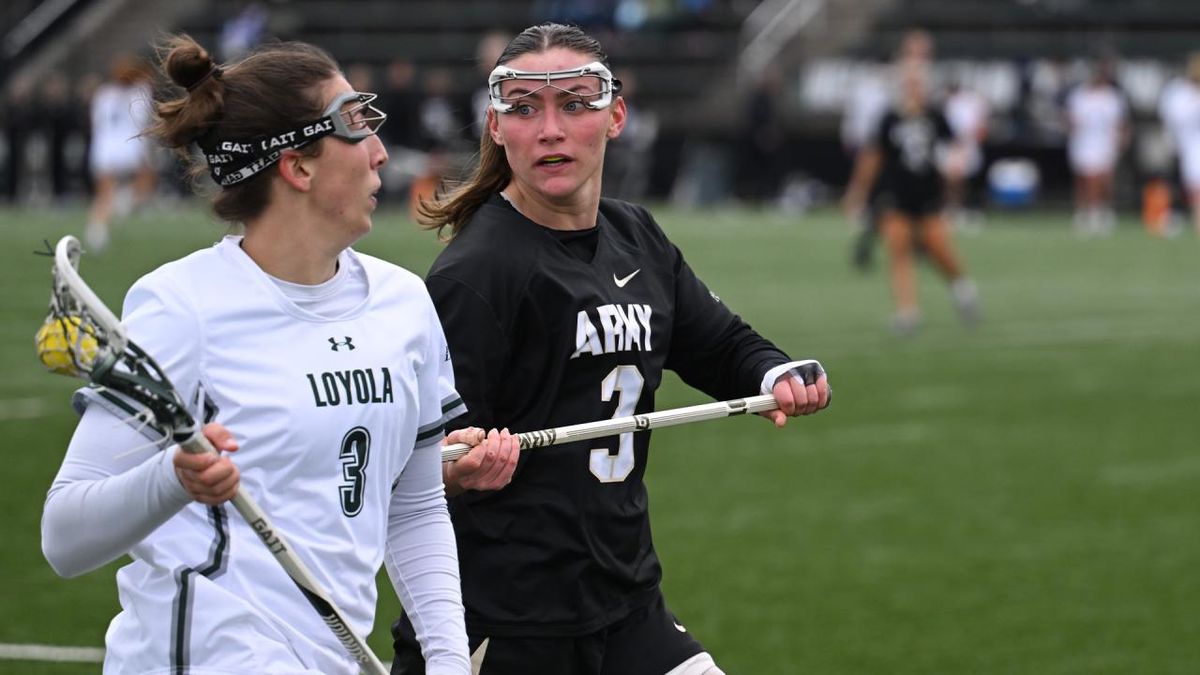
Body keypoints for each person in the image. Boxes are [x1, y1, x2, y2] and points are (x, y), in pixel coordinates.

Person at [40, 35, 495, 674]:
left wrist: (447, 663)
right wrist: (173, 479)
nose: (380, 151)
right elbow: (64, 536)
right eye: (354, 125)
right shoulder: (182, 307)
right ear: (297, 166)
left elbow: (416, 506)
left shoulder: (404, 304)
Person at [390, 22, 831, 675]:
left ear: (615, 116)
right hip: (509, 624)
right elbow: (415, 467)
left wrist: (773, 371)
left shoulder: (636, 234)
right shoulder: (477, 274)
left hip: (625, 602)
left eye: (574, 104)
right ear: (496, 127)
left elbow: (718, 344)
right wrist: (457, 467)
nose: (550, 130)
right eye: (525, 109)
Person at [842, 62, 980, 335]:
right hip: (896, 192)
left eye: (917, 84)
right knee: (898, 247)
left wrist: (954, 172)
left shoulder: (935, 116)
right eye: (908, 83)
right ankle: (908, 311)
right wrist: (858, 190)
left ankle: (961, 287)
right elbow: (873, 155)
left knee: (937, 248)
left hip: (927, 193)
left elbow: (955, 146)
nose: (913, 89)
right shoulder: (889, 117)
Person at [83, 53, 158, 251]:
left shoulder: (103, 93)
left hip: (103, 148)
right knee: (147, 180)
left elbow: (96, 122)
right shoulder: (140, 93)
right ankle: (123, 201)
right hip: (129, 146)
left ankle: (97, 229)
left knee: (103, 194)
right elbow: (143, 122)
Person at [1064, 57, 1130, 237]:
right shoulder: (1079, 95)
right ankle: (1084, 212)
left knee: (1103, 179)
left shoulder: (1112, 97)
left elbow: (1120, 122)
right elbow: (1070, 120)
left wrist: (1122, 139)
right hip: (1083, 142)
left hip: (1104, 143)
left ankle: (1102, 211)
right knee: (1085, 179)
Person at [1158, 52, 1200, 236]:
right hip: (1183, 143)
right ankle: (1174, 214)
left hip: (1194, 145)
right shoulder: (1178, 91)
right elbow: (1173, 117)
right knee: (1180, 182)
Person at [942, 78, 990, 230]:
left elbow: (980, 127)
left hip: (968, 145)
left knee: (966, 178)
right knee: (952, 180)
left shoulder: (973, 102)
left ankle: (967, 208)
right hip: (954, 145)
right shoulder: (950, 103)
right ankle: (952, 208)